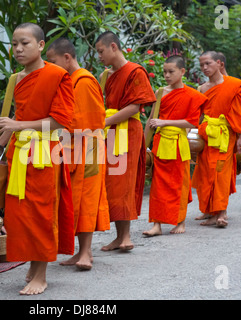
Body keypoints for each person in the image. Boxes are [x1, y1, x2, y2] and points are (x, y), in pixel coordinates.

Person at [0, 23, 75, 295]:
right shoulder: (16, 79)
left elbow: (60, 122)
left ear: (41, 45)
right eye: (14, 43)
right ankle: (33, 263)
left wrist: (18, 126)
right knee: (20, 213)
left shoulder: (57, 75)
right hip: (19, 152)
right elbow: (18, 118)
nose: (18, 48)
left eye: (25, 43)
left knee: (40, 212)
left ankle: (41, 274)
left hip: (44, 153)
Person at [46, 37, 110, 270]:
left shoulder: (84, 80)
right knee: (72, 200)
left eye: (52, 62)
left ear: (67, 57)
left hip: (89, 147)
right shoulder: (67, 80)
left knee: (87, 200)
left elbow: (89, 120)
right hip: (72, 146)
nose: (49, 67)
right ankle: (77, 251)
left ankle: (86, 253)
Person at [95, 31, 156, 251]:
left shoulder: (134, 71)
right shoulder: (106, 75)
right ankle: (119, 236)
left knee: (125, 182)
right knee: (112, 183)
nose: (99, 56)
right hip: (111, 131)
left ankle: (126, 236)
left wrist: (106, 121)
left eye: (101, 51)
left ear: (113, 46)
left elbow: (135, 108)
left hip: (128, 131)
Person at [143, 56, 207, 237]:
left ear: (182, 72)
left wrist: (165, 122)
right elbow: (151, 120)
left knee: (178, 183)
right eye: (164, 71)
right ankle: (156, 224)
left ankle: (180, 221)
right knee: (158, 185)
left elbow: (192, 122)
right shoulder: (160, 92)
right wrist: (144, 145)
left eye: (171, 71)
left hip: (178, 144)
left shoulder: (192, 95)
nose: (167, 75)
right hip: (161, 143)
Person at [191, 51, 241, 227]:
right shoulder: (202, 88)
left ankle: (221, 212)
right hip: (207, 135)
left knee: (220, 172)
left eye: (208, 63)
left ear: (219, 63)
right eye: (202, 65)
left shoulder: (234, 85)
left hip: (225, 134)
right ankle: (209, 210)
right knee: (205, 172)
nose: (205, 68)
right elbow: (199, 115)